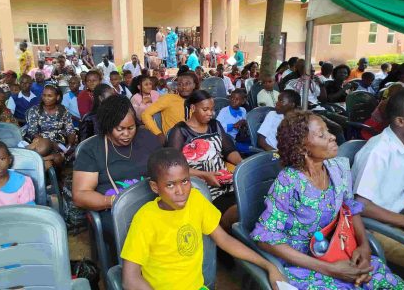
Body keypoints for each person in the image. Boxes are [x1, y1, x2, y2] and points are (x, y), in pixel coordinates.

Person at [252, 110, 404, 289]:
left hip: (337, 249)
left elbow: (350, 207)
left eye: (328, 131)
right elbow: (265, 238)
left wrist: (363, 245)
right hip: (303, 264)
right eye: (321, 134)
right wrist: (330, 269)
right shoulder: (288, 181)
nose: (333, 137)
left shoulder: (338, 168)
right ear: (303, 147)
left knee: (387, 282)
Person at [121, 148, 284, 290]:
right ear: (155, 187)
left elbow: (225, 240)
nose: (181, 191)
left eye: (185, 181)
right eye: (170, 185)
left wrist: (269, 266)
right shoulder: (145, 219)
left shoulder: (196, 200)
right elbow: (130, 280)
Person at [73, 95, 162, 263]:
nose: (127, 134)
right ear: (107, 126)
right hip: (115, 209)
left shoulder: (147, 138)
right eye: (120, 129)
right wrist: (114, 201)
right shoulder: (92, 149)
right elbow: (81, 194)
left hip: (153, 203)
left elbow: (166, 168)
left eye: (131, 128)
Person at [167, 90, 242, 231]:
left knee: (250, 201)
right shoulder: (180, 131)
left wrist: (242, 164)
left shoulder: (215, 125)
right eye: (205, 109)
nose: (210, 113)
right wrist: (204, 175)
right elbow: (173, 168)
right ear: (193, 108)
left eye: (212, 109)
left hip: (225, 181)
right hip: (201, 186)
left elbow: (229, 151)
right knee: (240, 210)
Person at [352, 90, 404, 269]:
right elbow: (361, 205)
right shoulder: (378, 152)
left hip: (399, 217)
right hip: (376, 227)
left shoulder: (403, 145)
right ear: (400, 121)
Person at [142, 71, 197, 144]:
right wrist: (158, 133)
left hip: (196, 140)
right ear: (176, 86)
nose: (184, 87)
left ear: (194, 85)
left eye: (188, 83)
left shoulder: (199, 101)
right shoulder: (168, 99)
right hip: (175, 142)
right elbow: (145, 114)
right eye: (180, 84)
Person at [26, 84, 76, 151]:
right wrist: (48, 144)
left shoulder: (63, 111)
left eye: (49, 96)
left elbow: (70, 130)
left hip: (59, 143)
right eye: (44, 95)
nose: (46, 98)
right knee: (51, 157)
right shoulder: (35, 110)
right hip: (41, 143)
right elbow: (32, 131)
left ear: (57, 97)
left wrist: (70, 144)